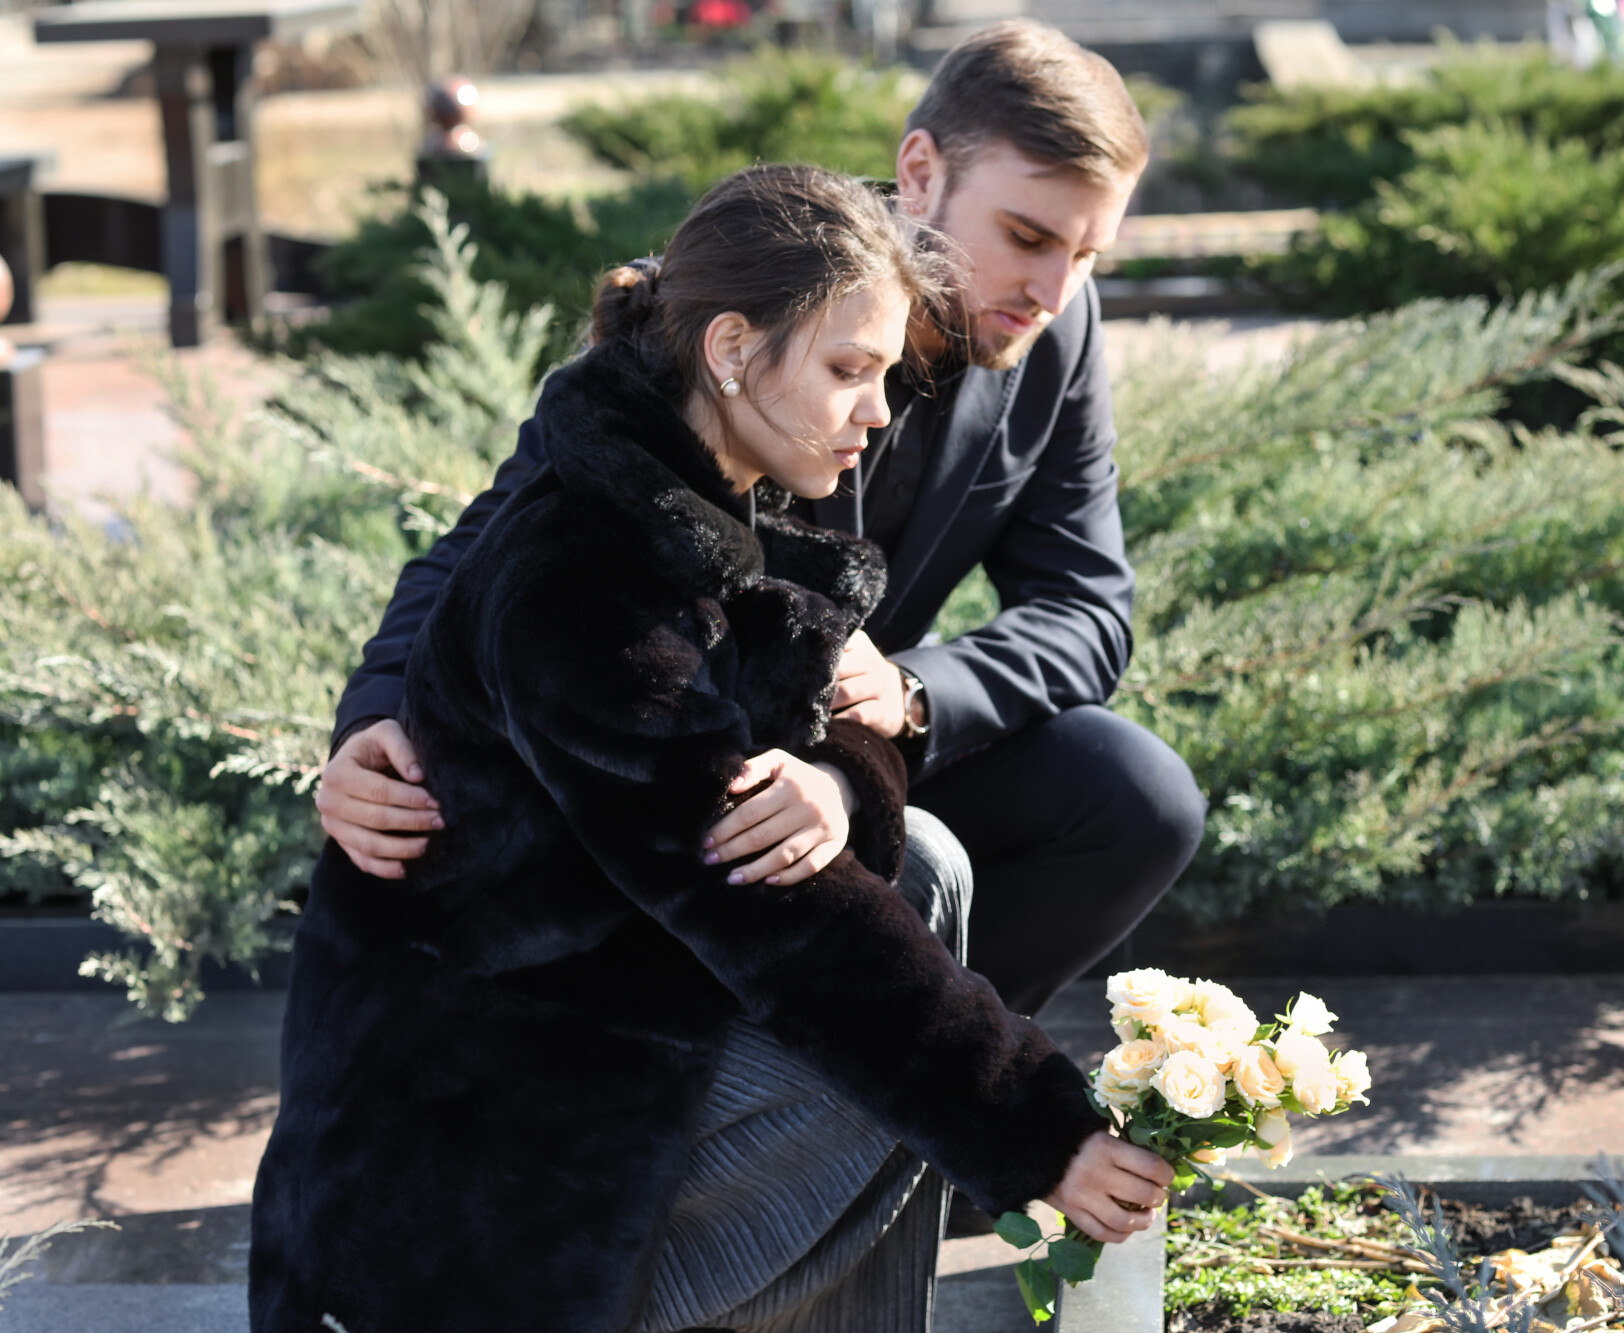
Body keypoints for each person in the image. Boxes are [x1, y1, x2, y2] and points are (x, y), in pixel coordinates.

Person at [250, 165, 1173, 1332]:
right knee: (889, 1075)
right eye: (851, 372)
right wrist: (1039, 1130)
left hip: (606, 1034)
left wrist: (843, 778)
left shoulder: (711, 481)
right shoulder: (587, 577)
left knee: (918, 883)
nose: (879, 412)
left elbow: (839, 693)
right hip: (471, 1175)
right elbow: (775, 923)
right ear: (732, 347)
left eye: (885, 376)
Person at [312, 20, 1209, 1022]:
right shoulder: (742, 303)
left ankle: (905, 1117)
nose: (1052, 291)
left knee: (1136, 798)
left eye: (1088, 254)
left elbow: (1086, 605)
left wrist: (910, 696)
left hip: (857, 751)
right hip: (668, 777)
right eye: (1029, 237)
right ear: (918, 171)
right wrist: (374, 720)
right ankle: (758, 1104)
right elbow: (488, 548)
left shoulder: (1054, 327)